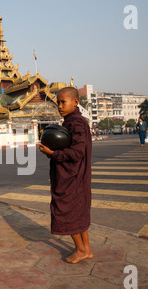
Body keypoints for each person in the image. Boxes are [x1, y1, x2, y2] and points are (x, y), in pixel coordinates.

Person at [39, 87, 93, 264]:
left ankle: (80, 249)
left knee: (66, 212)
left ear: (75, 102)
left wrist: (52, 153)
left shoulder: (76, 123)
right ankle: (87, 249)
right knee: (78, 213)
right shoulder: (72, 121)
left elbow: (77, 153)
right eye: (58, 103)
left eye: (63, 102)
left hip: (72, 178)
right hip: (76, 176)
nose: (60, 106)